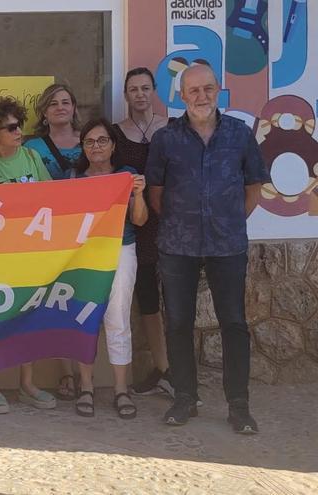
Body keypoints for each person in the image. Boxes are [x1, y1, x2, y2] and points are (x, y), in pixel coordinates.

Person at [146, 64, 269, 434]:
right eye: (194, 90)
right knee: (179, 323)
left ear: (219, 90)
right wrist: (183, 223)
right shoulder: (166, 139)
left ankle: (239, 406)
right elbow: (156, 194)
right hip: (177, 245)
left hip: (227, 244)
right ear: (181, 96)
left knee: (234, 324)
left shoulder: (240, 134)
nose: (201, 96)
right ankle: (185, 398)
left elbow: (253, 188)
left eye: (208, 88)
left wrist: (228, 220)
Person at [0, 96, 54, 414]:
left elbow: (53, 199)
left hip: (29, 256)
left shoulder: (32, 157)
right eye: (12, 127)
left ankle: (27, 384)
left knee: (26, 321)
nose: (20, 131)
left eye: (20, 124)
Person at [69, 118, 147, 419]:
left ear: (113, 145)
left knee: (118, 317)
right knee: (85, 319)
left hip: (121, 250)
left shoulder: (127, 176)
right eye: (90, 141)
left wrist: (138, 194)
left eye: (102, 140)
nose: (96, 146)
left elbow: (139, 221)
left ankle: (120, 389)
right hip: (85, 256)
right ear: (83, 147)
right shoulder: (74, 177)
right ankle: (86, 387)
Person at [111, 67, 173, 397]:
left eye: (145, 88)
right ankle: (162, 367)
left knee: (177, 300)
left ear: (154, 91)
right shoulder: (117, 134)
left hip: (172, 223)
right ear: (126, 95)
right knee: (148, 299)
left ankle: (179, 371)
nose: (139, 94)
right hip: (138, 224)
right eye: (133, 89)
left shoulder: (172, 127)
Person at [23, 83, 83, 400]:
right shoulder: (32, 148)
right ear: (44, 112)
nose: (61, 107)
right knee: (57, 303)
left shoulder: (91, 141)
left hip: (86, 234)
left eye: (66, 101)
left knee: (81, 302)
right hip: (46, 236)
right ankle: (66, 374)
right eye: (54, 103)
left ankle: (84, 376)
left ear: (74, 107)